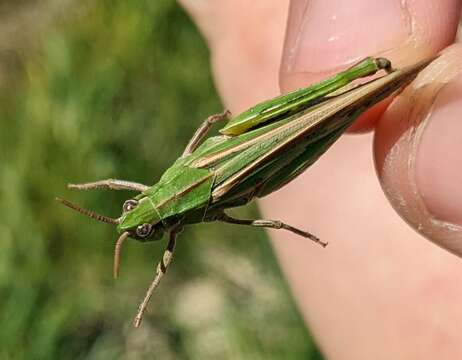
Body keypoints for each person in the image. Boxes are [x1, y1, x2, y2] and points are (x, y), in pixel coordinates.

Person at [180, 1, 462, 358]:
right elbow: (209, 127)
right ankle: (363, 88)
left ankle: (359, 77)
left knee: (273, 91)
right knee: (310, 117)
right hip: (263, 156)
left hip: (252, 140)